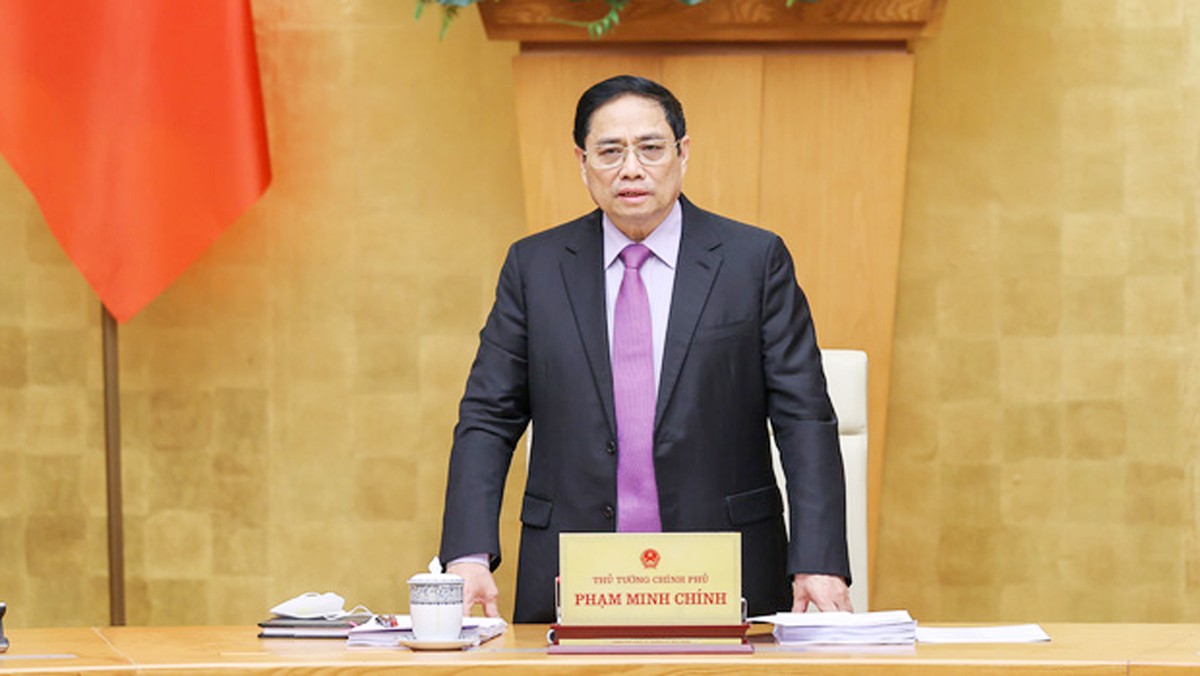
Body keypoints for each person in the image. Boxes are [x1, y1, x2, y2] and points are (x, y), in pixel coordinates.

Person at [439, 74, 851, 623]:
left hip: (725, 570)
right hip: (573, 571)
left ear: (683, 153)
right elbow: (488, 416)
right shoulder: (535, 267)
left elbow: (804, 419)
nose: (631, 169)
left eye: (651, 148)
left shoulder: (753, 261)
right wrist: (467, 555)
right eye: (610, 151)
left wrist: (818, 560)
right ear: (582, 161)